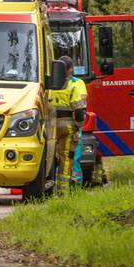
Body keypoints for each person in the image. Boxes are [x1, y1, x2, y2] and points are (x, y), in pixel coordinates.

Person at [49, 55, 87, 190]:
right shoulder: (74, 85)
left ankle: (47, 187)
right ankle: (62, 190)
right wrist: (78, 127)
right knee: (66, 157)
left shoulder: (48, 84)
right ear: (70, 69)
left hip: (49, 127)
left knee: (49, 157)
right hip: (67, 127)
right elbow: (79, 110)